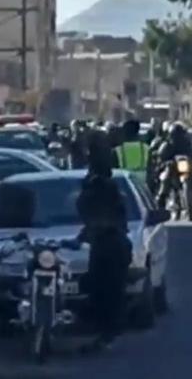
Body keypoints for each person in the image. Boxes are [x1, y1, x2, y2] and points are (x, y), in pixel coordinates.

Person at [76, 130, 133, 352]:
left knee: (108, 291)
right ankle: (105, 332)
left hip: (110, 245)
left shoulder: (102, 188)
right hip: (107, 244)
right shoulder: (100, 185)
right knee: (103, 290)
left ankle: (107, 333)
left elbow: (105, 216)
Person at [112, 119, 150, 184]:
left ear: (124, 132)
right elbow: (151, 170)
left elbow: (113, 172)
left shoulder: (117, 150)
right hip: (143, 187)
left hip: (126, 186)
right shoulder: (146, 148)